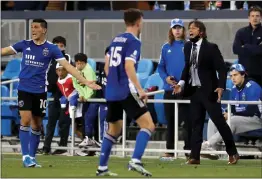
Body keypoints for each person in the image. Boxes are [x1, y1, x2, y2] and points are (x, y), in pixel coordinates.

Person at [0, 18, 101, 168]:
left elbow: (69, 66)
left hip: (40, 91)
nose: (33, 30)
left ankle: (32, 157)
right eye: (32, 27)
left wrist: (86, 82)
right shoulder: (25, 44)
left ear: (44, 30)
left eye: (36, 27)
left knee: (36, 125)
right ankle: (26, 156)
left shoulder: (51, 48)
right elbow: (3, 51)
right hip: (24, 89)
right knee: (25, 120)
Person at [96, 8, 155, 177]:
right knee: (148, 125)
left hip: (111, 91)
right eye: (142, 21)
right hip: (125, 90)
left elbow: (107, 68)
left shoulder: (116, 40)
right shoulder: (134, 41)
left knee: (113, 130)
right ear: (138, 22)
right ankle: (135, 160)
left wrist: (114, 83)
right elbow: (129, 66)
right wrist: (140, 90)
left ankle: (102, 167)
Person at [173, 20, 239, 165]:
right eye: (189, 28)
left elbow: (222, 69)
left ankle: (233, 152)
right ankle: (194, 157)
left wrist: (221, 86)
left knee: (219, 122)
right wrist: (180, 84)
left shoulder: (211, 48)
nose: (190, 30)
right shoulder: (188, 46)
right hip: (194, 91)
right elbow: (187, 68)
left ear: (201, 32)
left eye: (194, 28)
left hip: (209, 91)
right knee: (196, 124)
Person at [202, 64, 262, 159]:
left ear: (243, 75)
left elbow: (251, 111)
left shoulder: (252, 86)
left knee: (232, 121)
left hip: (257, 120)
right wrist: (228, 114)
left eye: (236, 75)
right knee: (213, 120)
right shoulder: (234, 89)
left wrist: (230, 115)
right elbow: (234, 109)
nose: (233, 78)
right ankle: (213, 151)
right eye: (231, 76)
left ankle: (207, 144)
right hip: (241, 118)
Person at [157, 18, 191, 160]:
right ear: (171, 30)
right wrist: (166, 78)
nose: (177, 30)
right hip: (170, 89)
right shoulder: (165, 47)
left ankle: (189, 150)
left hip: (185, 89)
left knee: (188, 121)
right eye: (174, 28)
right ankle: (170, 150)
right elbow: (160, 67)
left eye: (180, 27)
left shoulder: (189, 46)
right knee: (170, 121)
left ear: (183, 30)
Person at [42, 36, 71, 155]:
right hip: (54, 94)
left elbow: (65, 73)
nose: (59, 47)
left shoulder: (66, 57)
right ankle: (46, 147)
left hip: (64, 94)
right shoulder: (48, 59)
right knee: (51, 122)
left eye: (61, 45)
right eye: (56, 45)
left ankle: (63, 147)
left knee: (64, 122)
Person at [233, 6, 262, 86]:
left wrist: (246, 46)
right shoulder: (241, 32)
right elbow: (236, 49)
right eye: (252, 16)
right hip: (244, 73)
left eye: (257, 16)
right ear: (249, 17)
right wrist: (256, 48)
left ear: (261, 17)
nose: (254, 18)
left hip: (260, 73)